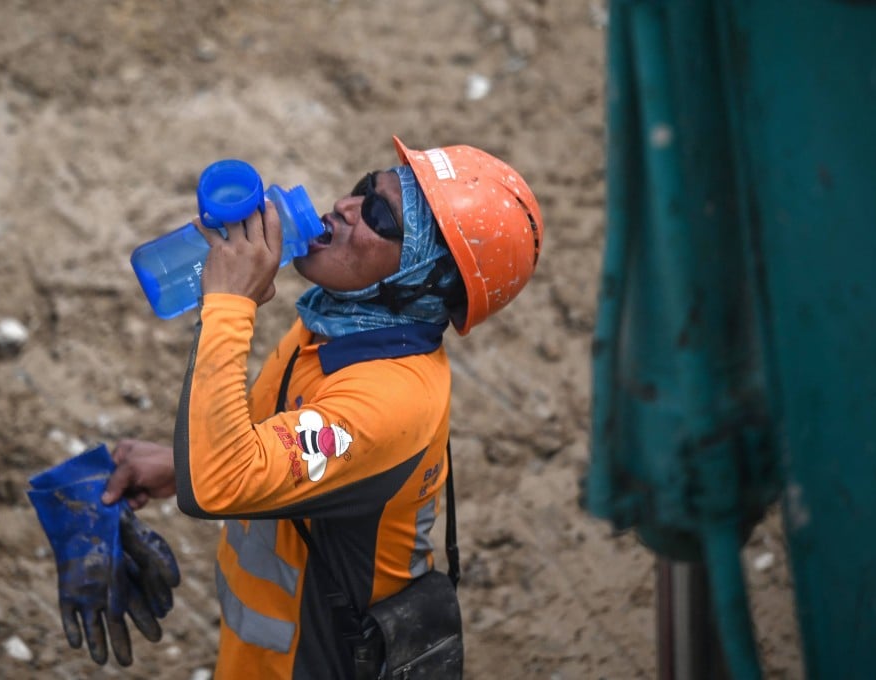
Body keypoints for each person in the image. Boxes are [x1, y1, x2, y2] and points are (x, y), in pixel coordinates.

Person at [101, 136, 544, 679]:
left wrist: (230, 307)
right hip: (259, 658)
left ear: (424, 281)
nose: (346, 206)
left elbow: (219, 482)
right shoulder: (338, 321)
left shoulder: (389, 401)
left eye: (378, 214)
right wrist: (178, 463)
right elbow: (285, 442)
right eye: (366, 187)